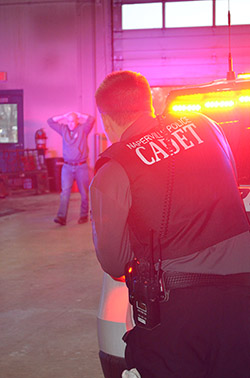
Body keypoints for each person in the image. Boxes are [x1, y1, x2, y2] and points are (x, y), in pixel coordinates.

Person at [90, 70, 250, 378]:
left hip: (176, 318)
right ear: (150, 102)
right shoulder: (208, 126)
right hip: (243, 301)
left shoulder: (112, 170)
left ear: (106, 120)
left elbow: (114, 262)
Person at [47, 111, 94, 225]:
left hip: (81, 166)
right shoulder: (63, 129)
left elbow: (91, 119)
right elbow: (50, 121)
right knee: (65, 193)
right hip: (67, 167)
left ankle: (83, 216)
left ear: (77, 121)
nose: (70, 124)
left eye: (73, 121)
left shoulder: (83, 129)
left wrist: (80, 114)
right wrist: (63, 116)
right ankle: (61, 217)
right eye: (68, 121)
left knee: (84, 193)